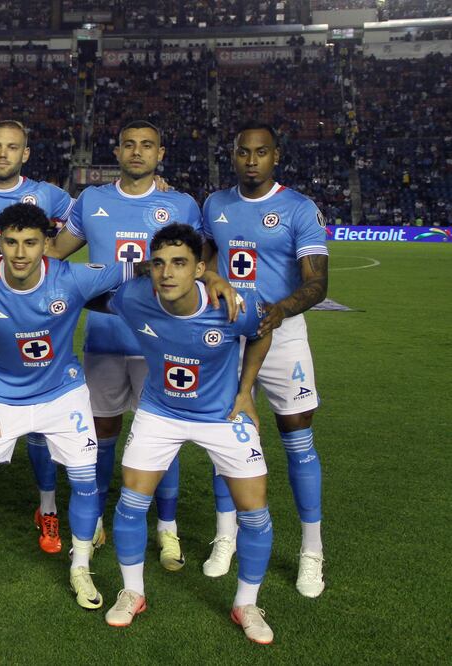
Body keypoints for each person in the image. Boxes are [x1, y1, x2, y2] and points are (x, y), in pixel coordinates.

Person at [0, 202, 134, 609]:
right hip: (1, 395)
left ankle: (81, 567)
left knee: (86, 482)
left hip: (62, 393)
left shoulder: (71, 277)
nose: (19, 253)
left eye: (30, 243)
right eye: (11, 242)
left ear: (46, 244)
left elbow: (139, 267)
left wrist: (207, 273)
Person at [103, 223, 275, 644]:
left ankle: (247, 603)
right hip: (161, 411)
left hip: (220, 415)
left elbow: (263, 330)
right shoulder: (134, 297)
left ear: (200, 268)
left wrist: (247, 389)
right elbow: (89, 294)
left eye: (179, 263)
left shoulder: (234, 305)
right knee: (130, 501)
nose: (167, 273)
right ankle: (132, 592)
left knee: (254, 512)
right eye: (158, 264)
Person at [49, 120, 203, 569]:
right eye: (130, 145)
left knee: (166, 437)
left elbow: (197, 265)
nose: (138, 152)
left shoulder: (180, 204)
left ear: (161, 153)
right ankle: (94, 517)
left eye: (147, 145)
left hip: (164, 344)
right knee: (103, 433)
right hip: (105, 338)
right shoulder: (92, 200)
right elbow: (57, 254)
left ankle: (167, 528)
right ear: (116, 152)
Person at [201, 121, 329, 598]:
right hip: (227, 336)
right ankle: (225, 536)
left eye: (261, 152)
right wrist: (214, 282)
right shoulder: (215, 205)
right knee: (226, 437)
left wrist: (278, 311)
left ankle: (311, 551)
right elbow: (203, 261)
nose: (251, 160)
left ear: (276, 156)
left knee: (298, 440)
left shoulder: (298, 208)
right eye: (242, 152)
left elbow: (317, 283)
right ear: (232, 156)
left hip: (284, 335)